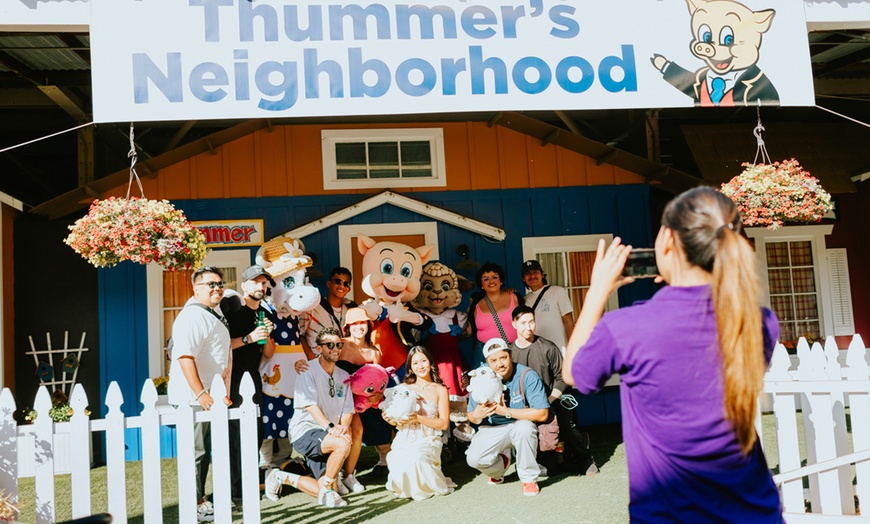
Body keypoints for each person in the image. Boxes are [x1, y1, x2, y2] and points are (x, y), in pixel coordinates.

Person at [563, 187, 783, 522]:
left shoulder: (627, 326)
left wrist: (597, 291)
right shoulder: (761, 322)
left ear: (666, 240)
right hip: (756, 511)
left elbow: (575, 375)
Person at [266, 327, 362, 508]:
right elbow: (311, 407)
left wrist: (342, 427)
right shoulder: (307, 370)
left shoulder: (344, 376)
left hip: (328, 434)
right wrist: (332, 428)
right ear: (319, 348)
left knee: (324, 489)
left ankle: (280, 476)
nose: (335, 348)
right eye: (330, 345)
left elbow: (349, 410)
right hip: (306, 431)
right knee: (342, 443)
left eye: (339, 344)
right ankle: (330, 489)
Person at [166, 266, 232, 522]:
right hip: (194, 399)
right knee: (197, 452)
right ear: (196, 289)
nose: (217, 288)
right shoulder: (192, 317)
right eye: (210, 284)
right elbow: (184, 356)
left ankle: (202, 499)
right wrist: (201, 393)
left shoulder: (212, 312)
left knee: (206, 452)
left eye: (219, 283)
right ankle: (194, 503)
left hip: (212, 398)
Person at [510, 305, 596, 476]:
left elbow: (563, 377)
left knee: (567, 425)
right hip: (527, 406)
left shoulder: (547, 347)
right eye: (523, 323)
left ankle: (585, 459)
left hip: (554, 398)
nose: (529, 327)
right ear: (514, 324)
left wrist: (548, 401)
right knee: (551, 470)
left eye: (532, 322)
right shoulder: (510, 353)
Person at [220, 265, 276, 502]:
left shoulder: (265, 313)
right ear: (244, 285)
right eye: (255, 282)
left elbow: (269, 354)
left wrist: (268, 336)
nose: (261, 287)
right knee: (234, 436)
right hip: (232, 377)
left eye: (264, 283)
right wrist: (248, 338)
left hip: (252, 377)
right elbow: (222, 347)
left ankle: (249, 486)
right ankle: (232, 491)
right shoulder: (232, 310)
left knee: (255, 433)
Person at [466, 338, 549, 497]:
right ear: (487, 363)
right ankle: (500, 466)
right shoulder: (481, 378)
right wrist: (477, 414)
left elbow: (542, 413)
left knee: (524, 428)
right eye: (493, 360)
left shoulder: (527, 375)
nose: (499, 364)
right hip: (493, 428)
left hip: (519, 424)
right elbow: (472, 416)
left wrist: (505, 411)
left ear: (510, 355)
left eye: (503, 358)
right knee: (473, 459)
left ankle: (529, 479)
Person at [383, 346, 455, 500]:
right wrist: (390, 418)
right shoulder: (403, 388)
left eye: (423, 361)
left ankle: (424, 486)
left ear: (430, 362)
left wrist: (419, 418)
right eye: (415, 363)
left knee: (417, 458)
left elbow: (443, 424)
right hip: (406, 436)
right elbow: (397, 421)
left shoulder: (440, 390)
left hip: (428, 438)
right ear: (410, 367)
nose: (420, 366)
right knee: (396, 458)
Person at [466, 262, 523, 369]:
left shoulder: (515, 297)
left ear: (501, 280)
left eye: (494, 277)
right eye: (486, 279)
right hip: (483, 353)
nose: (491, 281)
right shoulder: (476, 303)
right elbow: (470, 328)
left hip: (512, 350)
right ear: (481, 285)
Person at [520, 259, 575, 356]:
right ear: (523, 278)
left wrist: (573, 348)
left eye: (535, 272)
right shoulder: (524, 300)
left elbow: (568, 322)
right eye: (528, 273)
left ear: (542, 274)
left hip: (559, 350)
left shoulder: (557, 291)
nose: (532, 276)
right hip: (537, 352)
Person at [300, 267, 357, 358]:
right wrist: (311, 357)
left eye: (346, 284)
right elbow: (300, 334)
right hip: (316, 363)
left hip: (341, 364)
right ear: (329, 284)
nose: (342, 286)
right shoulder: (313, 307)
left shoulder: (350, 311)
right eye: (338, 282)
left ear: (349, 289)